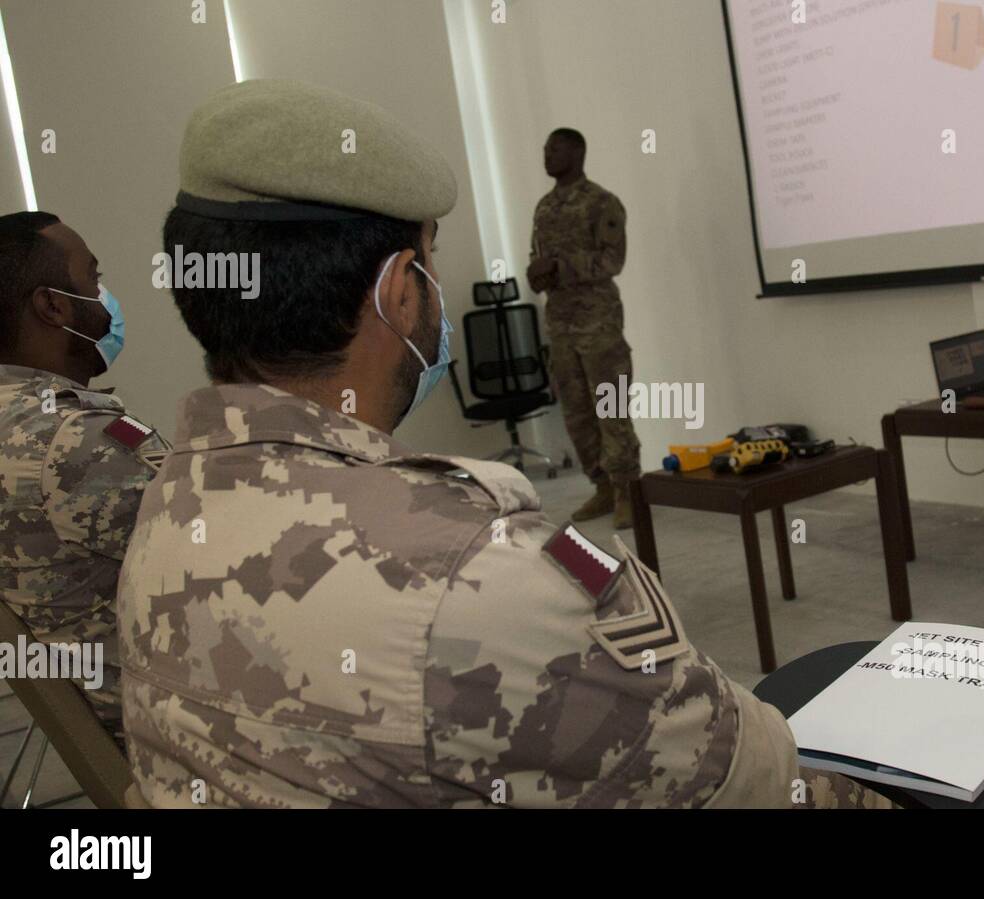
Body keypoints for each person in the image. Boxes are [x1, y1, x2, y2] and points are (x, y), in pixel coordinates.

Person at [118, 78, 887, 809]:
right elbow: (743, 780)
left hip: (596, 323)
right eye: (433, 258)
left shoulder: (154, 511)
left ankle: (622, 478)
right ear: (400, 291)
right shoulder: (488, 577)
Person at [0, 211, 168, 745]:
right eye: (94, 278)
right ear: (54, 305)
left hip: (111, 717)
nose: (105, 297)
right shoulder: (76, 442)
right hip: (185, 733)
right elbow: (244, 560)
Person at [528, 129, 640, 530]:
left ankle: (628, 489)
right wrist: (537, 274)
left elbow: (613, 261)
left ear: (577, 152)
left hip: (598, 323)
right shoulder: (544, 208)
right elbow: (538, 258)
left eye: (554, 148)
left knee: (610, 407)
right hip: (560, 325)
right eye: (544, 149)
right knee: (576, 412)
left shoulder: (601, 202)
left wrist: (563, 267)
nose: (546, 155)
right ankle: (603, 485)